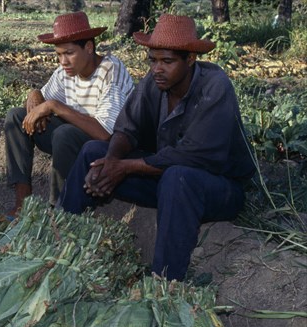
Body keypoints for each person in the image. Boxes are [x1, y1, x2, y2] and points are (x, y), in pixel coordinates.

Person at [59, 14, 256, 281]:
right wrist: (111, 162)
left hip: (217, 187)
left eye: (167, 61)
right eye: (152, 60)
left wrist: (124, 167)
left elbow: (191, 155)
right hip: (165, 179)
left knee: (178, 177)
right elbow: (127, 129)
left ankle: (163, 281)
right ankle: (57, 239)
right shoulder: (155, 82)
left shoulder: (214, 86)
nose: (157, 69)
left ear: (190, 59)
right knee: (94, 152)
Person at [4, 11, 134, 216]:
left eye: (69, 53)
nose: (63, 61)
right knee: (16, 116)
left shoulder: (111, 70)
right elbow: (39, 104)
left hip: (105, 149)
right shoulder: (66, 71)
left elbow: (105, 134)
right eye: (58, 54)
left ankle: (60, 210)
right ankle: (22, 203)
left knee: (64, 133)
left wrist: (55, 106)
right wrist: (35, 95)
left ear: (89, 48)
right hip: (72, 139)